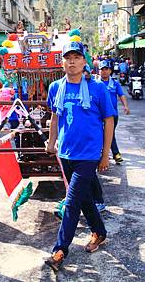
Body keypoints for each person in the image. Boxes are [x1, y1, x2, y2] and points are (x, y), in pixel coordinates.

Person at [44, 41, 115, 271]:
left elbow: (109, 120)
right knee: (84, 198)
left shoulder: (97, 88)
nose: (72, 61)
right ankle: (100, 232)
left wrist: (105, 154)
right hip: (66, 153)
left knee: (72, 202)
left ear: (84, 61)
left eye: (76, 57)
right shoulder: (56, 87)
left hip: (89, 154)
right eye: (68, 57)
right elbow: (55, 117)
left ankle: (60, 249)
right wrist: (52, 142)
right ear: (62, 61)